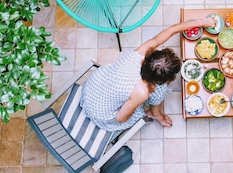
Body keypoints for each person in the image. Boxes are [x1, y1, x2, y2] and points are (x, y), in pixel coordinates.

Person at [80, 17, 216, 132]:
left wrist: (203, 22)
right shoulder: (140, 92)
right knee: (159, 92)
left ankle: (156, 112)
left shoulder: (140, 53)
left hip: (97, 83)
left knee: (155, 92)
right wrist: (144, 95)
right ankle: (155, 114)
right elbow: (121, 118)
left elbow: (172, 29)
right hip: (100, 110)